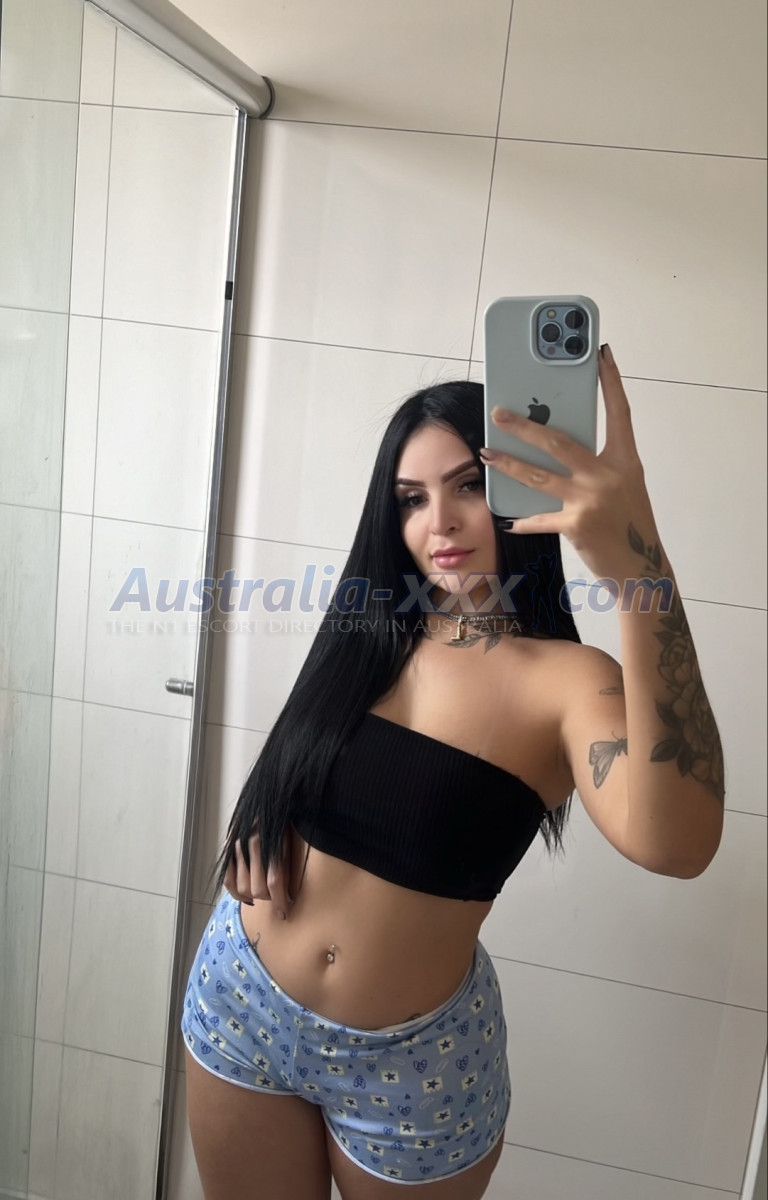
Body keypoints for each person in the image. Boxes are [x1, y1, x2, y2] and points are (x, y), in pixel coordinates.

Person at [181, 345, 725, 1199]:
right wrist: (265, 809)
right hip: (242, 1000)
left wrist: (639, 568)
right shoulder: (370, 625)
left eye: (468, 485)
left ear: (520, 489)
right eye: (411, 498)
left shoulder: (566, 683)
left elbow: (679, 843)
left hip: (413, 1070)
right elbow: (306, 756)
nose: (439, 520)